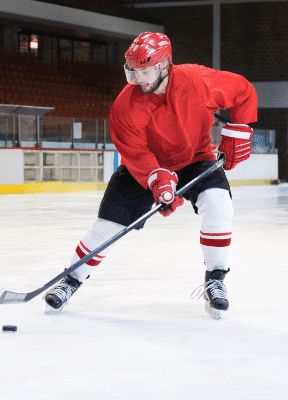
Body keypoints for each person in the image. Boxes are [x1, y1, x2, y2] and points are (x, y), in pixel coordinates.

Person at [43, 32, 257, 320]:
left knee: (220, 206)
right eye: (133, 71)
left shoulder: (198, 80)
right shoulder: (124, 106)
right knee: (107, 227)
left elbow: (243, 91)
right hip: (146, 167)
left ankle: (215, 278)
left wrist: (238, 129)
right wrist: (156, 178)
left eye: (146, 70)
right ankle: (71, 280)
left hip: (196, 158)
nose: (140, 78)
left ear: (165, 64)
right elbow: (135, 152)